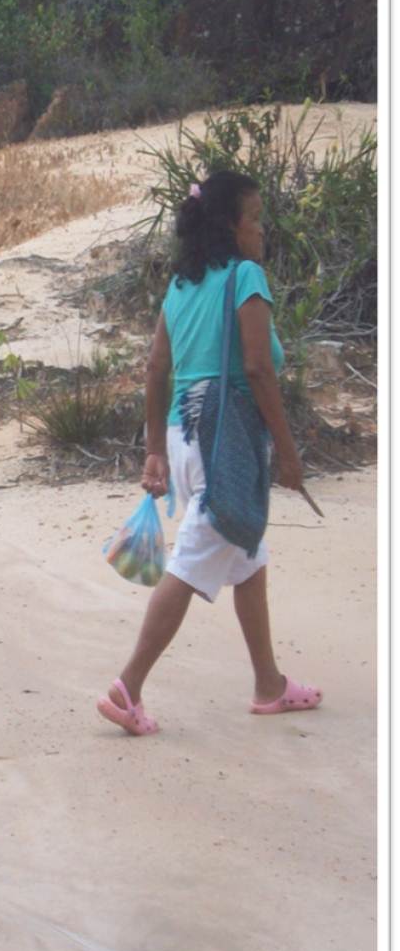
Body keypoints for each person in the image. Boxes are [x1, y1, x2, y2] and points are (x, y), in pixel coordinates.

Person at [97, 170, 322, 736]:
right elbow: (256, 368)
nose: (263, 230)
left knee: (247, 552)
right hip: (226, 438)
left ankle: (269, 683)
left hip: (185, 433)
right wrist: (289, 453)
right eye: (256, 218)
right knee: (196, 558)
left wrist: (154, 451)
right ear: (232, 226)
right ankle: (128, 688)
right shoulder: (246, 277)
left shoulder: (181, 285)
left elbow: (156, 369)